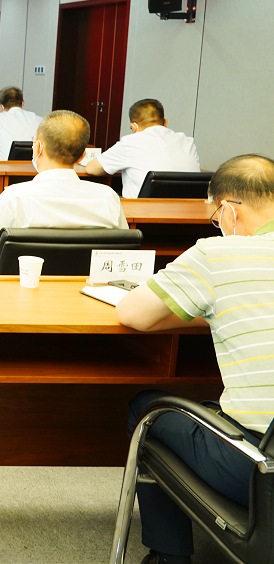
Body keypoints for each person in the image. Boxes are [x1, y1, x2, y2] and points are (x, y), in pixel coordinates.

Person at [116, 154, 274, 564]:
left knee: (146, 409)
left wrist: (205, 306)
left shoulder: (219, 254)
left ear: (228, 209)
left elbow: (133, 315)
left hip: (259, 469)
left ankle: (169, 556)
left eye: (215, 218)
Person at [0, 110, 128, 272]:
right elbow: (124, 252)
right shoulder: (108, 198)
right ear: (82, 156)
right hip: (85, 292)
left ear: (38, 147)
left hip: (20, 291)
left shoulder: (14, 197)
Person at [84, 98, 201, 199]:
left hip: (142, 214)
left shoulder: (130, 142)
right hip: (189, 214)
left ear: (133, 126)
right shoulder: (187, 141)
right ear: (165, 122)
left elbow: (91, 169)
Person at [0, 86, 42, 161]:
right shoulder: (37, 118)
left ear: (1, 107)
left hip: (8, 166)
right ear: (23, 102)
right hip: (33, 165)